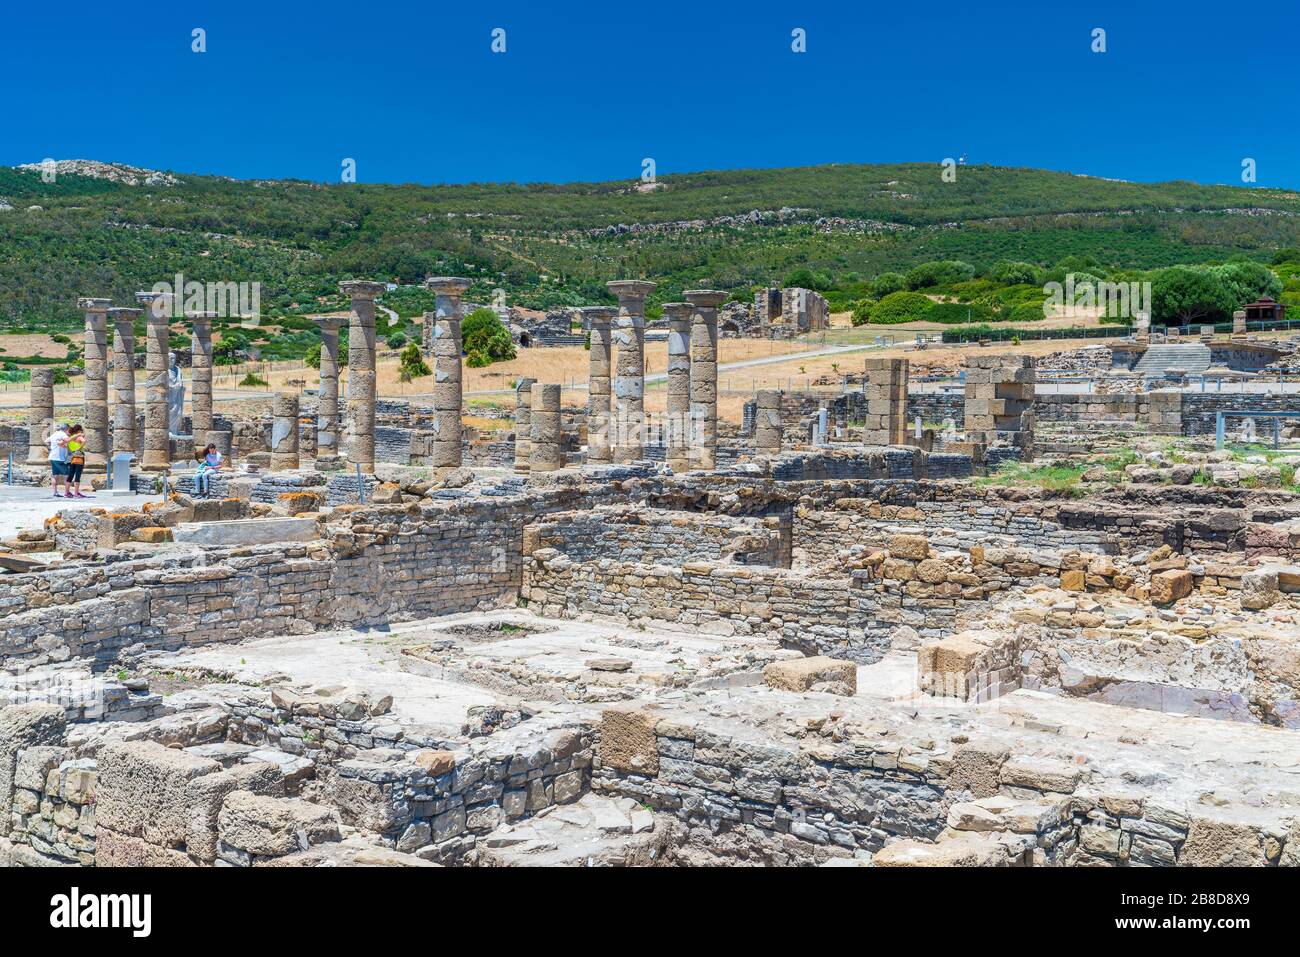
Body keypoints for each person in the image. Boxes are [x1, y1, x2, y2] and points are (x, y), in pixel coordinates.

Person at [65, 424, 90, 498]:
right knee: (77, 475)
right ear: (79, 430)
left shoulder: (70, 438)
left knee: (70, 475)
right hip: (79, 456)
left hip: (72, 457)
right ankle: (76, 493)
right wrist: (80, 447)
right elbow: (84, 441)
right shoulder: (79, 437)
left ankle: (67, 492)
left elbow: (64, 443)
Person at [46, 422, 70, 498]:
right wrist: (65, 446)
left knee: (55, 475)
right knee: (67, 475)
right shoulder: (63, 434)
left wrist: (53, 446)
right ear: (66, 429)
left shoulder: (55, 434)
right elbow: (68, 440)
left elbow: (46, 441)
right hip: (60, 458)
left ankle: (55, 492)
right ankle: (67, 493)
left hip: (52, 457)